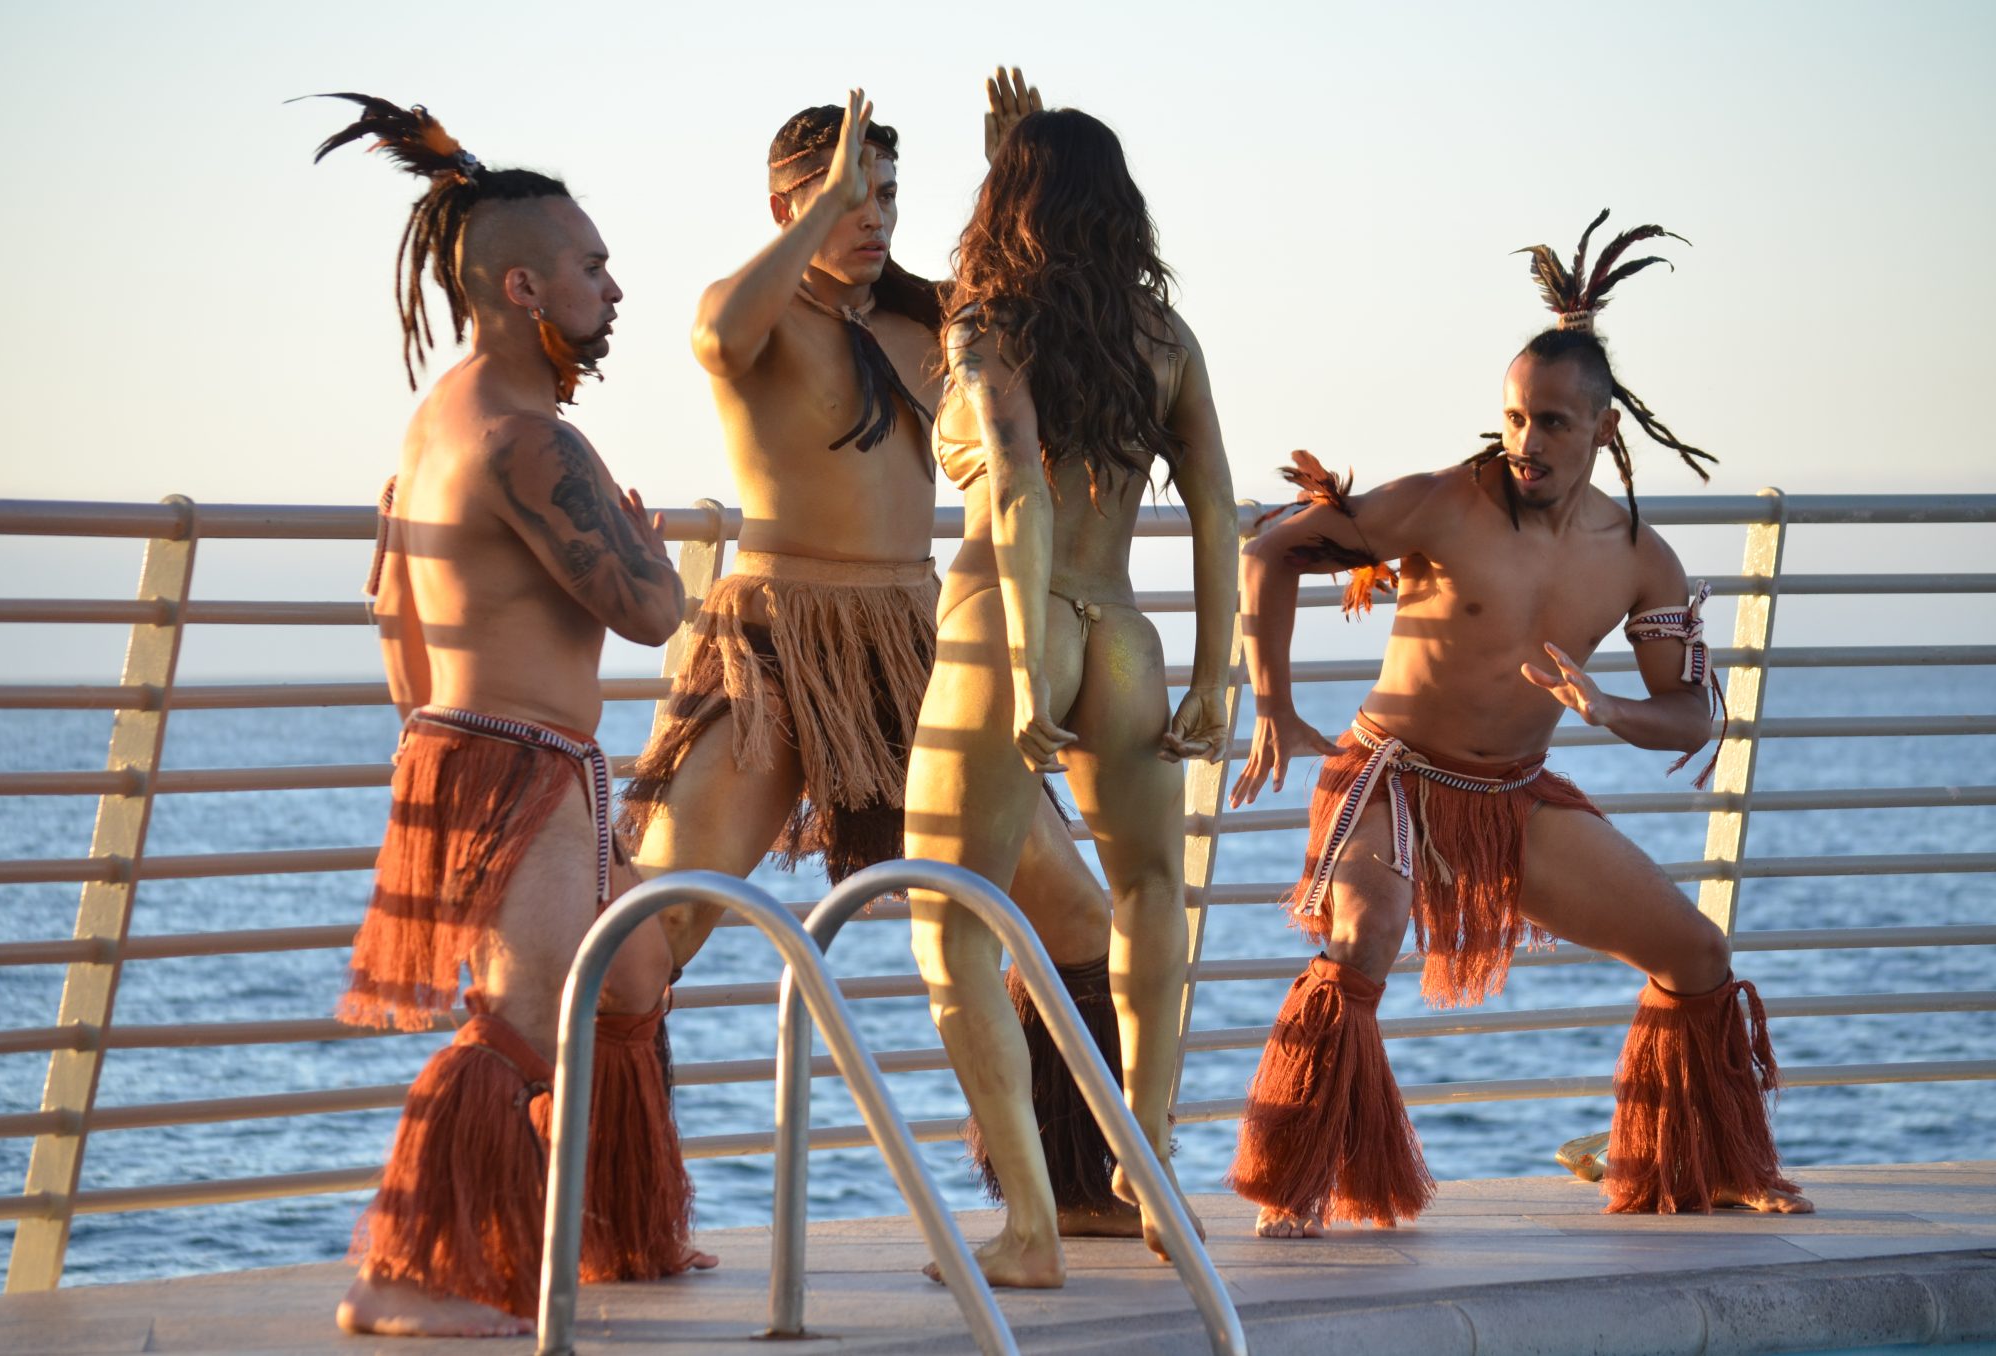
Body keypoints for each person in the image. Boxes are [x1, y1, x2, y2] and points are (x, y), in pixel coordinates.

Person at [616, 77, 1139, 1233]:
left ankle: (1077, 1191)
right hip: (776, 641)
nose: (873, 214)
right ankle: (608, 1213)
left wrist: (1013, 188)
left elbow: (1038, 339)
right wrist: (821, 207)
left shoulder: (925, 322)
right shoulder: (748, 317)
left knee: (1073, 920)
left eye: (888, 192)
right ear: (784, 202)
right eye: (848, 193)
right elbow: (711, 334)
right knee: (660, 919)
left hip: (915, 647)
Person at [1225, 211, 1812, 1239]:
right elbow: (1270, 552)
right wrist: (1270, 704)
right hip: (1392, 779)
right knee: (1363, 940)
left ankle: (1703, 1162)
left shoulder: (1639, 557)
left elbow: (1686, 716)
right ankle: (1294, 1189)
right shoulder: (1442, 505)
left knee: (1695, 954)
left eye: (1550, 423)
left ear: (1603, 430)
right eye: (1513, 417)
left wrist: (1604, 706)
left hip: (1511, 799)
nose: (1525, 443)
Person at [309, 94, 710, 1339]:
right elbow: (654, 612)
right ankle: (403, 1281)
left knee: (634, 975)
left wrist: (448, 731)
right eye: (592, 266)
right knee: (523, 1024)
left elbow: (390, 612)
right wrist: (645, 546)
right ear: (526, 285)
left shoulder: (434, 425)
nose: (614, 287)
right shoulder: (533, 440)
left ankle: (614, 1231)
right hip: (517, 767)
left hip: (489, 750)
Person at [907, 106, 1238, 1288]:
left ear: (1007, 206)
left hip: (1018, 620)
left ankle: (1031, 1232)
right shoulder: (1161, 333)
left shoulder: (987, 324)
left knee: (945, 915)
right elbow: (1213, 507)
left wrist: (1009, 662)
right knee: (1148, 892)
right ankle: (1145, 1183)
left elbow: (1014, 489)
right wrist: (1218, 672)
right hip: (1127, 636)